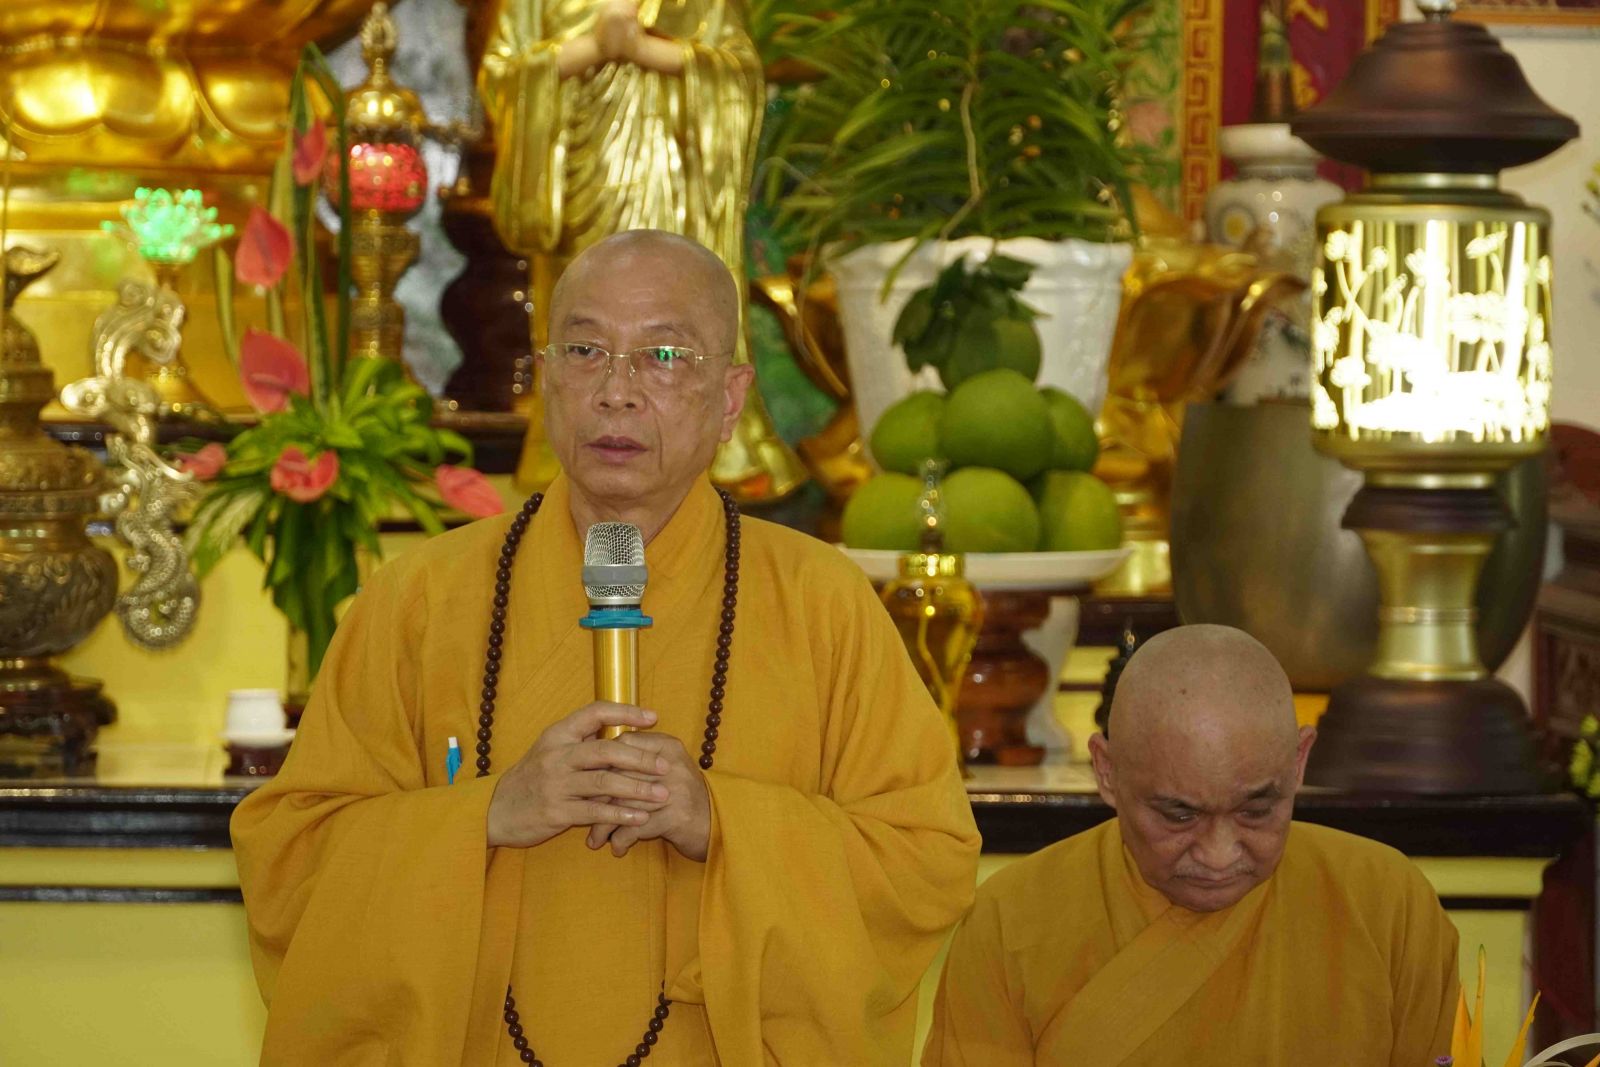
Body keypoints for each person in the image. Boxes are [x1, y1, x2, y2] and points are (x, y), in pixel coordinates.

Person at [232, 230, 980, 1066]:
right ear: (546, 378)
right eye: (586, 351)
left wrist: (721, 821)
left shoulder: (822, 602)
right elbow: (290, 864)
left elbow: (926, 861)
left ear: (731, 399)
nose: (616, 392)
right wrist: (487, 814)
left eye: (664, 356)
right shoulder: (420, 599)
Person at [923, 624, 1459, 1067]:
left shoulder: (1386, 905)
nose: (1219, 855)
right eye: (1179, 815)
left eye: (1255, 811)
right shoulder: (1013, 922)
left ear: (1298, 763)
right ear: (1107, 773)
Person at [478, 0, 805, 499]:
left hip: (674, 185)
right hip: (580, 184)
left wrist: (647, 51)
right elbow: (502, 76)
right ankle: (572, 453)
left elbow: (737, 72)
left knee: (676, 312)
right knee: (585, 319)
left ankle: (703, 453)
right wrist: (591, 48)